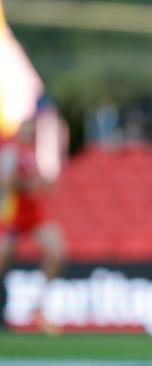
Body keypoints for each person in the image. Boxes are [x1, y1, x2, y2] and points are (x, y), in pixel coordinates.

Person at [0, 117, 67, 334]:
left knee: (57, 251)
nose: (31, 132)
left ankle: (39, 307)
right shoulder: (10, 150)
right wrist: (26, 183)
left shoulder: (32, 152)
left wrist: (42, 184)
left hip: (32, 214)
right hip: (10, 215)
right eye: (28, 128)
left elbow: (40, 185)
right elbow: (5, 183)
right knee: (3, 258)